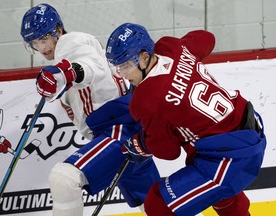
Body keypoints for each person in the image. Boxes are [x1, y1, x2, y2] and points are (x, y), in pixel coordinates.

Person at [105, 23, 267, 216]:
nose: (122, 74)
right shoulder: (171, 47)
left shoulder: (145, 101)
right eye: (118, 68)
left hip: (228, 157)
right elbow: (207, 38)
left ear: (145, 56)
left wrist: (139, 144)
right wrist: (184, 49)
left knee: (159, 203)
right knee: (223, 196)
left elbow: (168, 151)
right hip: (249, 130)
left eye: (126, 66)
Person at [20, 5, 160, 216]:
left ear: (58, 30)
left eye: (44, 39)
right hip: (130, 129)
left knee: (64, 179)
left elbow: (93, 66)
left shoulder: (71, 43)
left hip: (118, 129)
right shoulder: (66, 53)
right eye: (35, 42)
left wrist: (66, 74)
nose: (41, 47)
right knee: (155, 206)